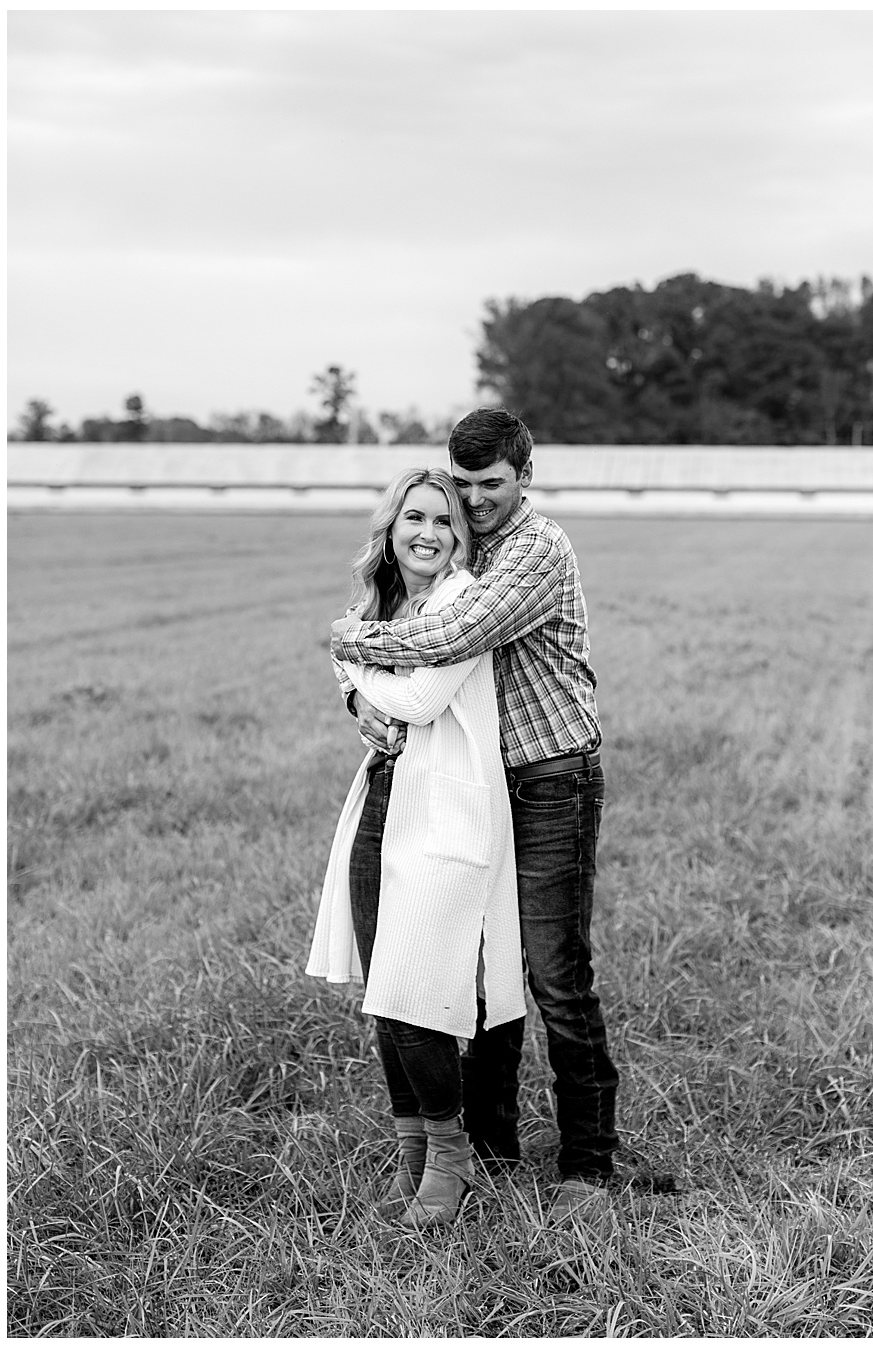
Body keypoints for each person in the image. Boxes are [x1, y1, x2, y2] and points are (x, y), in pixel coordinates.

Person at [330, 407, 616, 1224]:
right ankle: (489, 1149)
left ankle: (588, 1169)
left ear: (524, 476)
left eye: (492, 485)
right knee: (486, 975)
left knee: (557, 977)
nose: (477, 501)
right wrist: (354, 688)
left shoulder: (533, 548)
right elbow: (400, 611)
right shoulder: (462, 539)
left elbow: (453, 633)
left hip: (553, 776)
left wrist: (349, 647)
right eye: (465, 486)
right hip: (483, 785)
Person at [308, 468, 525, 1227]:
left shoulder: (463, 600)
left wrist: (357, 665)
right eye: (414, 519)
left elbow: (422, 700)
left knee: (414, 995)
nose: (428, 533)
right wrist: (356, 676)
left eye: (444, 521)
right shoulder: (382, 608)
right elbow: (353, 675)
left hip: (448, 816)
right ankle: (413, 1150)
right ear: (391, 529)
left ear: (461, 536)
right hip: (382, 804)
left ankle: (452, 1156)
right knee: (382, 993)